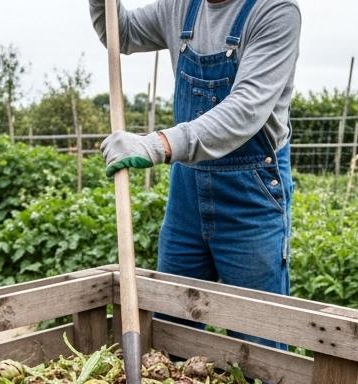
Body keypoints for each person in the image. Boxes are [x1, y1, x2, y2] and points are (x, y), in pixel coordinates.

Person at [90, 0, 301, 349]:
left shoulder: (275, 11)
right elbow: (121, 33)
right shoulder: (180, 6)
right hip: (187, 194)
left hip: (250, 196)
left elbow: (246, 110)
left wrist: (158, 144)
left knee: (258, 341)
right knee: (170, 332)